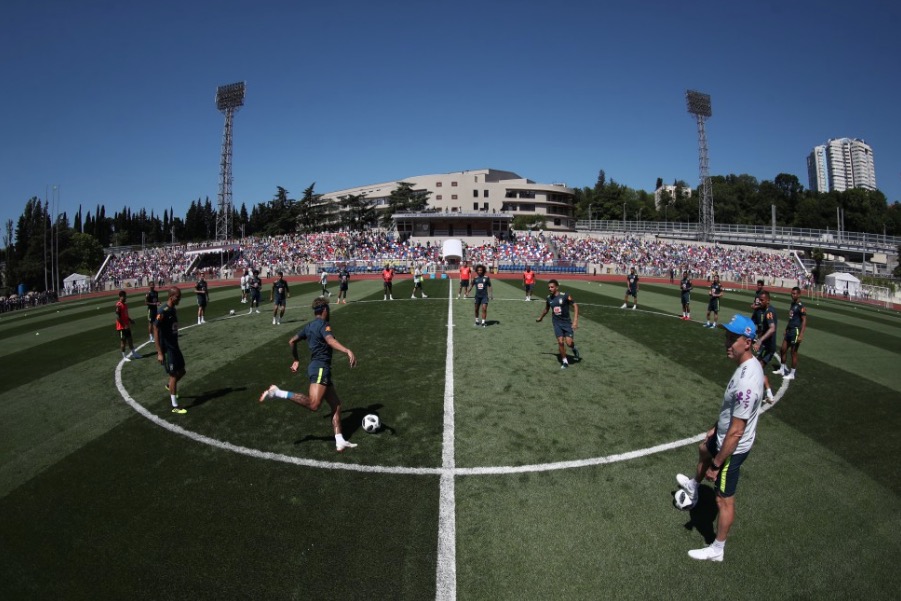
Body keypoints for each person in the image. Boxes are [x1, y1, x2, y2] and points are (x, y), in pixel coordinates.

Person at [675, 313, 764, 562]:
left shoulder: (748, 381)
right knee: (704, 448)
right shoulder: (745, 367)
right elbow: (731, 412)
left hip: (732, 446)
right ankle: (694, 487)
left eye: (732, 338)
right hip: (723, 435)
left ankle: (717, 549)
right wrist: (715, 428)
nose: (726, 342)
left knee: (723, 499)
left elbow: (737, 430)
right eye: (726, 336)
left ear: (747, 342)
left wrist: (717, 465)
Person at [258, 296, 358, 452]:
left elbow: (291, 341)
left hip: (319, 368)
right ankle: (277, 392)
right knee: (314, 404)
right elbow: (330, 341)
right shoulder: (324, 325)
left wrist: (296, 359)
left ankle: (340, 440)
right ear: (325, 310)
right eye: (328, 309)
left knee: (336, 405)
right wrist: (347, 350)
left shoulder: (309, 326)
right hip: (320, 368)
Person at [154, 287, 187, 414]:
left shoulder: (173, 309)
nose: (179, 299)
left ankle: (169, 386)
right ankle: (175, 406)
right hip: (168, 349)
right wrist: (160, 352)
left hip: (175, 346)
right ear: (171, 296)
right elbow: (155, 329)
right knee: (173, 375)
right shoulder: (163, 311)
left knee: (182, 371)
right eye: (178, 297)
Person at [536, 279, 581, 369]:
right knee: (560, 342)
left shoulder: (565, 296)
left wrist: (575, 321)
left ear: (557, 287)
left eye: (552, 287)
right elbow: (546, 309)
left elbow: (575, 306)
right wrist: (541, 317)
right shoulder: (549, 298)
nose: (550, 289)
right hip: (557, 323)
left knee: (569, 343)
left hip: (567, 323)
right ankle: (565, 362)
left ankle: (574, 349)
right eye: (549, 287)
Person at [774, 286, 808, 381]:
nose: (792, 295)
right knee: (783, 349)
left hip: (795, 331)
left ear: (799, 294)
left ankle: (792, 374)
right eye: (792, 293)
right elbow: (791, 319)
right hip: (789, 330)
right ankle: (782, 369)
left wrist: (801, 334)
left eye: (794, 293)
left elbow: (804, 321)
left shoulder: (801, 306)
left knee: (793, 352)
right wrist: (786, 328)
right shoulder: (792, 304)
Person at [752, 291, 778, 403]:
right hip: (766, 346)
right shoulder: (763, 311)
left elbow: (772, 328)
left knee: (757, 369)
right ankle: (768, 394)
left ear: (768, 300)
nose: (760, 302)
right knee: (758, 368)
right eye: (759, 300)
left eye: (762, 300)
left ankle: (766, 394)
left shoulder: (769, 312)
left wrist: (759, 341)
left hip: (768, 347)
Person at [116, 290, 140, 361]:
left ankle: (134, 353)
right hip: (121, 327)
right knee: (123, 341)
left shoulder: (125, 305)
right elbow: (117, 317)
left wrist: (130, 320)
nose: (126, 297)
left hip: (127, 326)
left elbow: (125, 315)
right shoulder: (118, 305)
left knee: (130, 340)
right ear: (121, 297)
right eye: (124, 296)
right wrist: (124, 325)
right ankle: (124, 356)